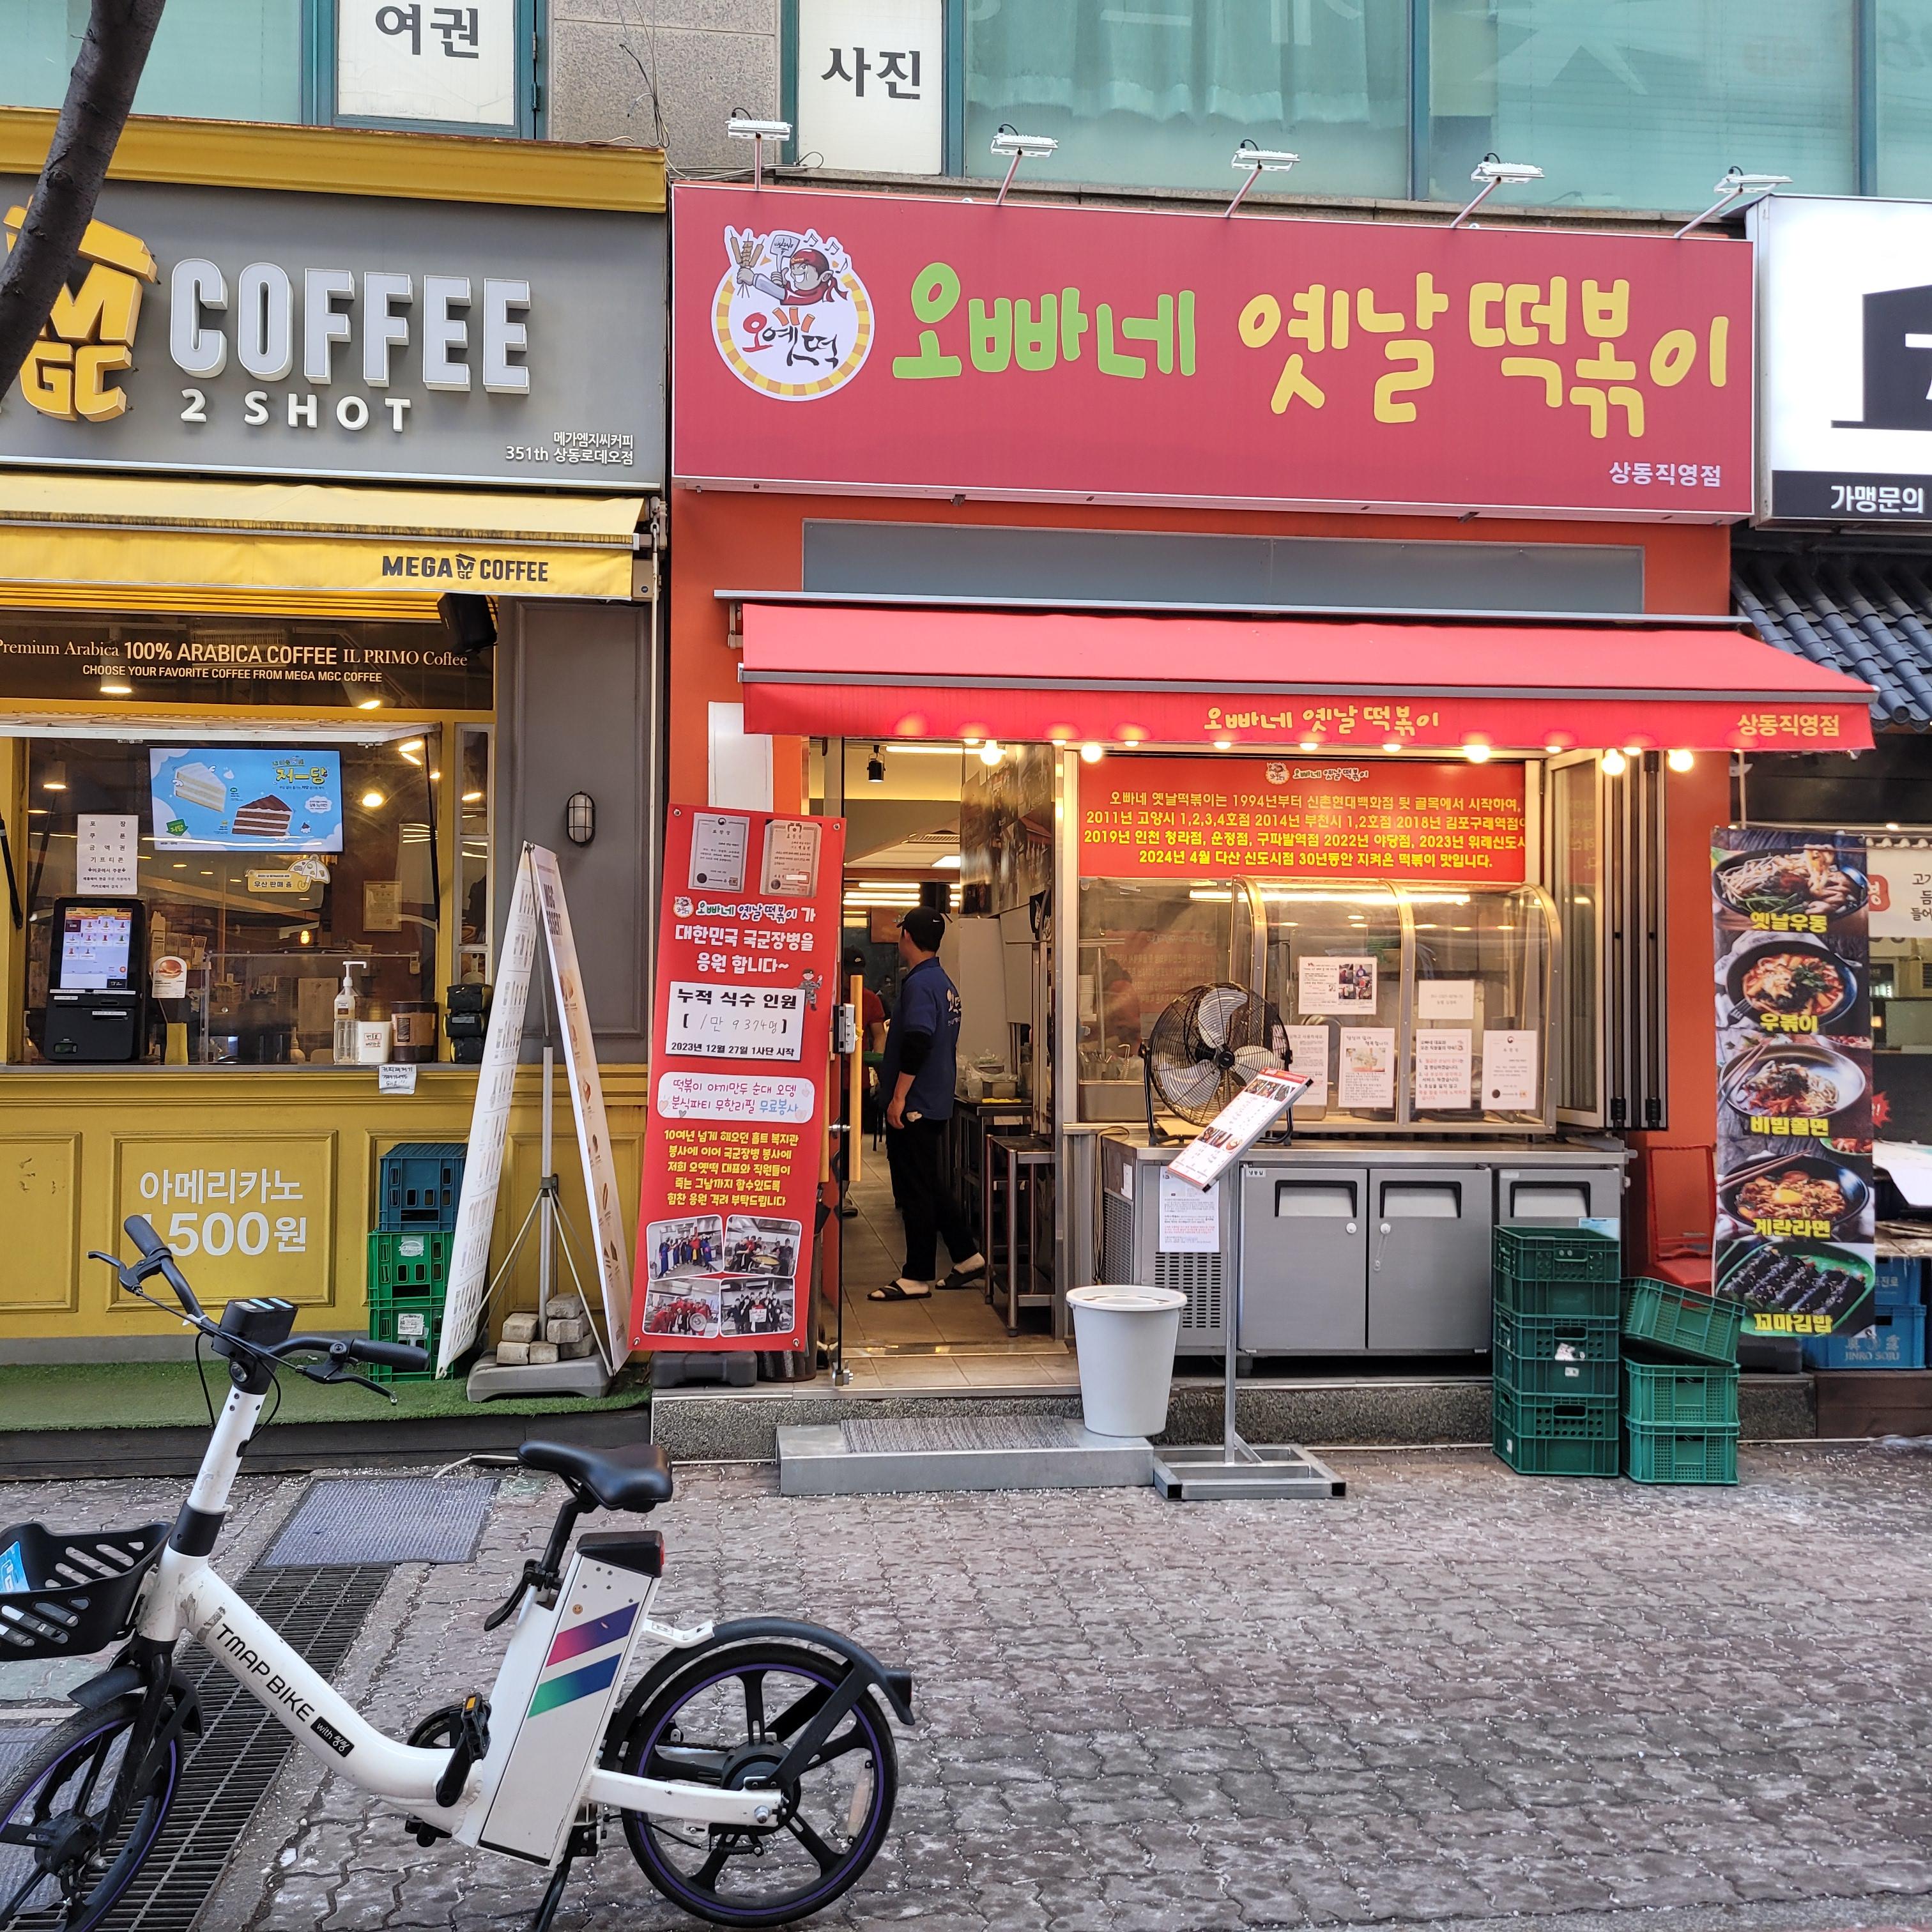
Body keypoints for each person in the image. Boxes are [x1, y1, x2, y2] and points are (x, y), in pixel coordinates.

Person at [871, 907, 985, 1301]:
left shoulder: (920, 985)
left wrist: (899, 1097)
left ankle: (917, 1275)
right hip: (935, 1096)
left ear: (907, 938)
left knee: (914, 1189)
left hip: (916, 1102)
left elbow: (918, 1041)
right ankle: (967, 1256)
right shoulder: (942, 981)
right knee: (929, 1181)